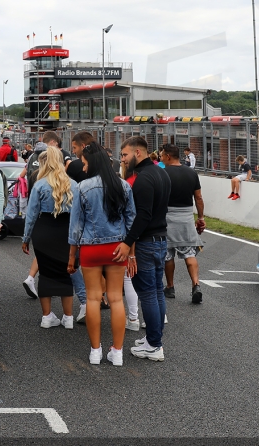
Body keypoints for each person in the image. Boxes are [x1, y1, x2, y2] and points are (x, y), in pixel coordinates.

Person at [68, 141, 137, 366]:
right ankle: (117, 352)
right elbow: (131, 221)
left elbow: (76, 226)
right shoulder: (124, 186)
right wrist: (130, 249)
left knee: (93, 298)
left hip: (90, 249)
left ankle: (95, 351)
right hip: (118, 248)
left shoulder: (82, 187)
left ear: (93, 163)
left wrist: (72, 256)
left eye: (85, 164)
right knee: (117, 299)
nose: (84, 168)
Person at [115, 136, 170, 362]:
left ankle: (154, 345)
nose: (123, 160)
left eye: (125, 155)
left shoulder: (143, 178)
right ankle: (152, 339)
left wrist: (128, 243)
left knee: (148, 293)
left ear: (138, 153)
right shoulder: (161, 173)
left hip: (147, 242)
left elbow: (142, 215)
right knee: (156, 291)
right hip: (161, 239)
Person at [23, 147, 80, 329]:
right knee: (66, 274)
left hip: (44, 231)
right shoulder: (74, 184)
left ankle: (47, 317)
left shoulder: (39, 184)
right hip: (67, 232)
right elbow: (80, 215)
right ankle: (68, 317)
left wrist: (26, 238)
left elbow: (31, 215)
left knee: (46, 273)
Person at [160, 144, 205, 304]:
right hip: (186, 216)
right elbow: (198, 198)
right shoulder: (192, 173)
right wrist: (200, 218)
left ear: (168, 156)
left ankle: (170, 287)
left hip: (167, 216)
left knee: (167, 253)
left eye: (162, 155)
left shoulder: (162, 173)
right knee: (189, 252)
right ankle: (196, 285)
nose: (160, 158)